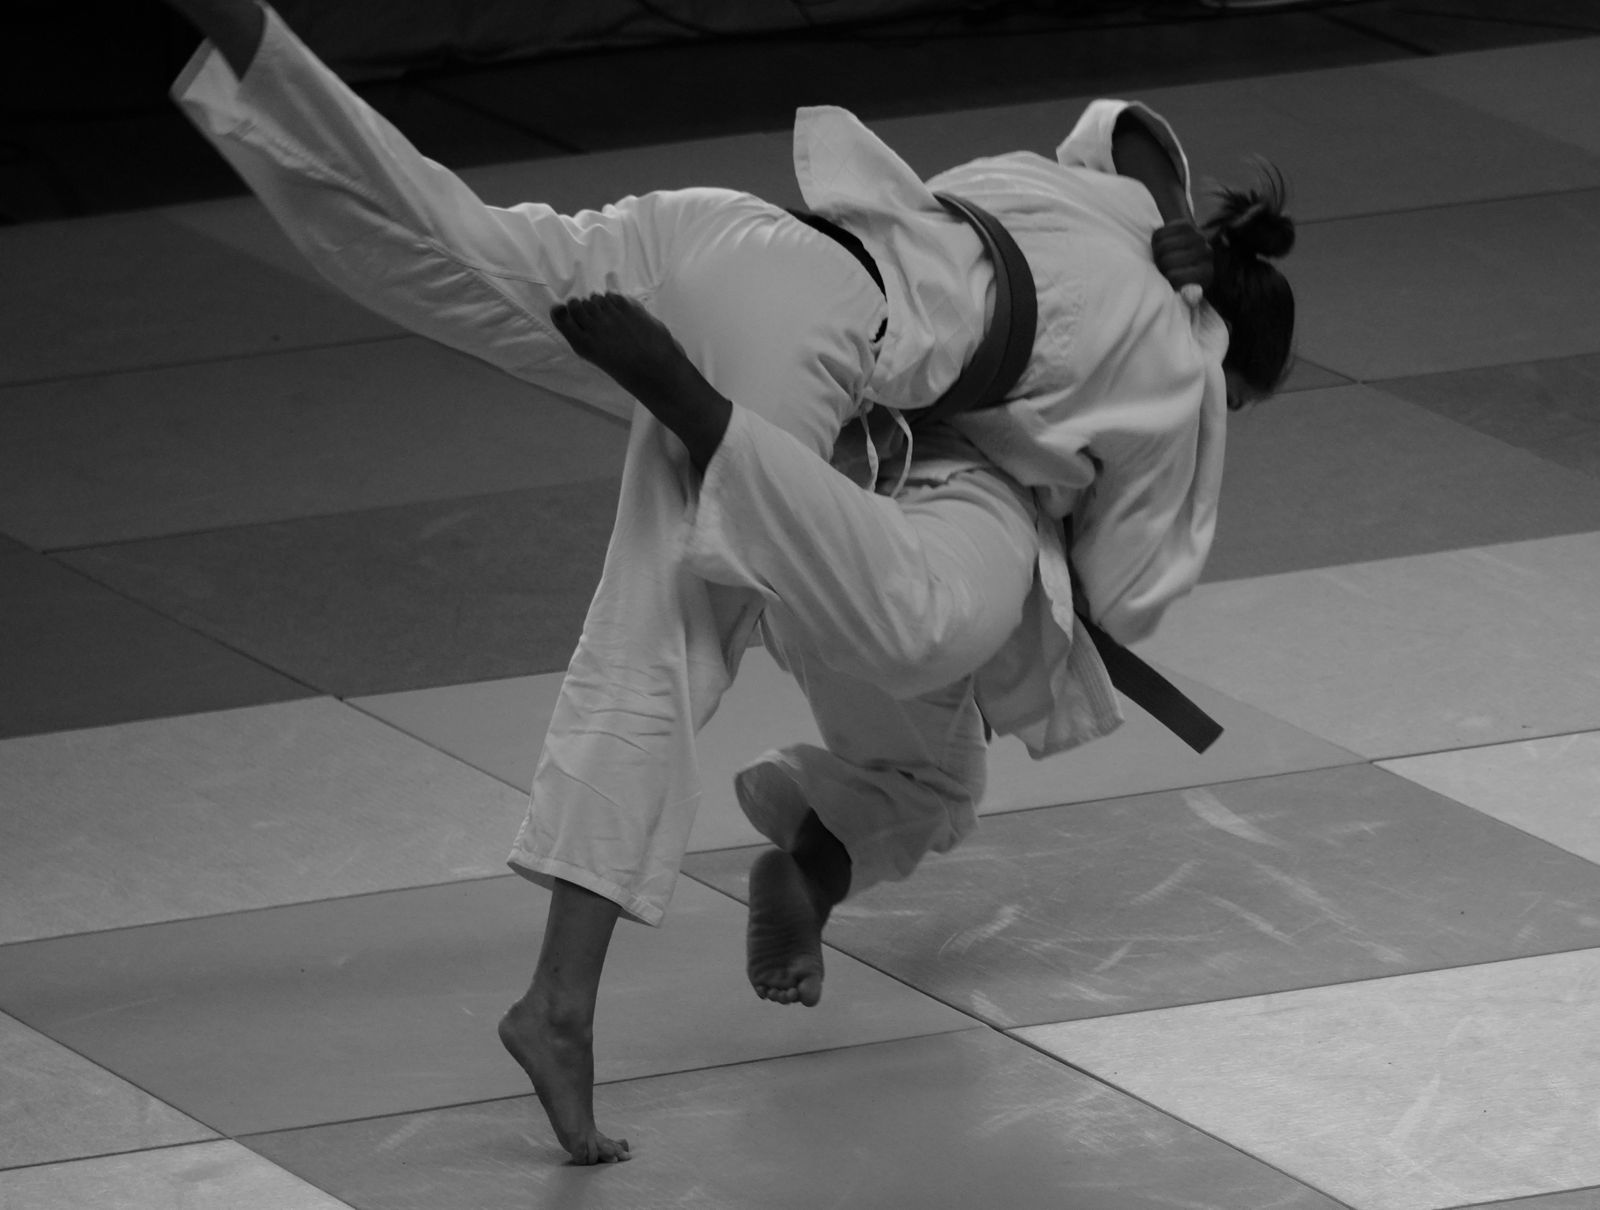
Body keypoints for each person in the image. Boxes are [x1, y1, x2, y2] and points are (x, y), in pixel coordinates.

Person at [162, 0, 1294, 1165]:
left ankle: (247, 38)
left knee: (450, 240)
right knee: (667, 644)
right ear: (1226, 353)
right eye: (1240, 401)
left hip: (727, 234)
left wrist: (1172, 229)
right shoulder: (1185, 369)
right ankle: (558, 1000)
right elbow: (1121, 585)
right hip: (807, 340)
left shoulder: (1109, 201)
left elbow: (1123, 128)